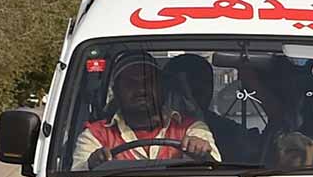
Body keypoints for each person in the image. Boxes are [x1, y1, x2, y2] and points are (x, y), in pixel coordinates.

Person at [73, 53, 220, 170]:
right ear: (116, 91)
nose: (141, 89)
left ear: (161, 88)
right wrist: (92, 164)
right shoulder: (96, 135)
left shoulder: (190, 127)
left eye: (149, 82)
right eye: (131, 83)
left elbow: (216, 171)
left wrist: (201, 153)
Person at [163, 54, 254, 161]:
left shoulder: (225, 129)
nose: (199, 90)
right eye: (190, 84)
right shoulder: (153, 129)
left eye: (205, 83)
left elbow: (254, 147)